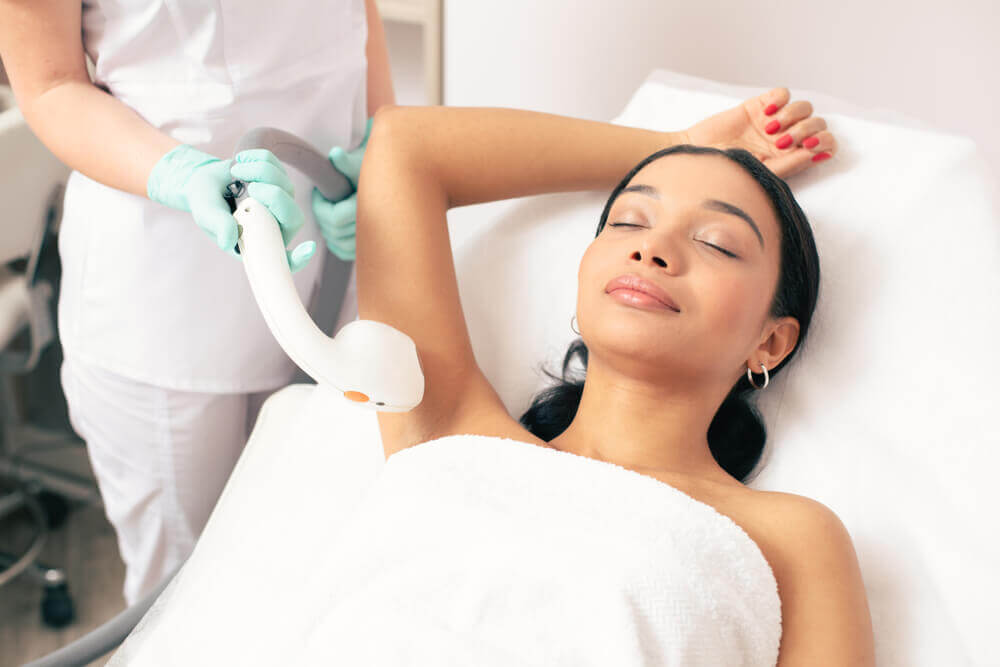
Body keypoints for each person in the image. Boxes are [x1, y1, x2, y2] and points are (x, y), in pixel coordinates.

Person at [239, 89, 875, 662]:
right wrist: (671, 147)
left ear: (769, 341)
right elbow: (406, 145)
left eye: (716, 241)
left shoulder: (790, 539)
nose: (651, 249)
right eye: (629, 221)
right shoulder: (447, 428)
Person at [0, 0, 392, 604]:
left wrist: (383, 144)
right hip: (164, 297)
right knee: (189, 599)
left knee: (316, 560)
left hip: (329, 265)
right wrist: (181, 175)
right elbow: (51, 85)